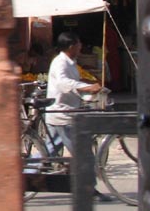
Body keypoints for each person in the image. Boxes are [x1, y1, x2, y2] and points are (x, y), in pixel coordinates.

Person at [45, 32, 112, 202]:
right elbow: (63, 83)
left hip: (64, 111)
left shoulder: (70, 62)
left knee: (47, 153)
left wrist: (87, 83)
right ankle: (89, 189)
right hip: (62, 114)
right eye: (78, 44)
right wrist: (86, 87)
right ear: (71, 47)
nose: (81, 46)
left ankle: (21, 178)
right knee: (83, 154)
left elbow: (72, 80)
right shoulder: (60, 62)